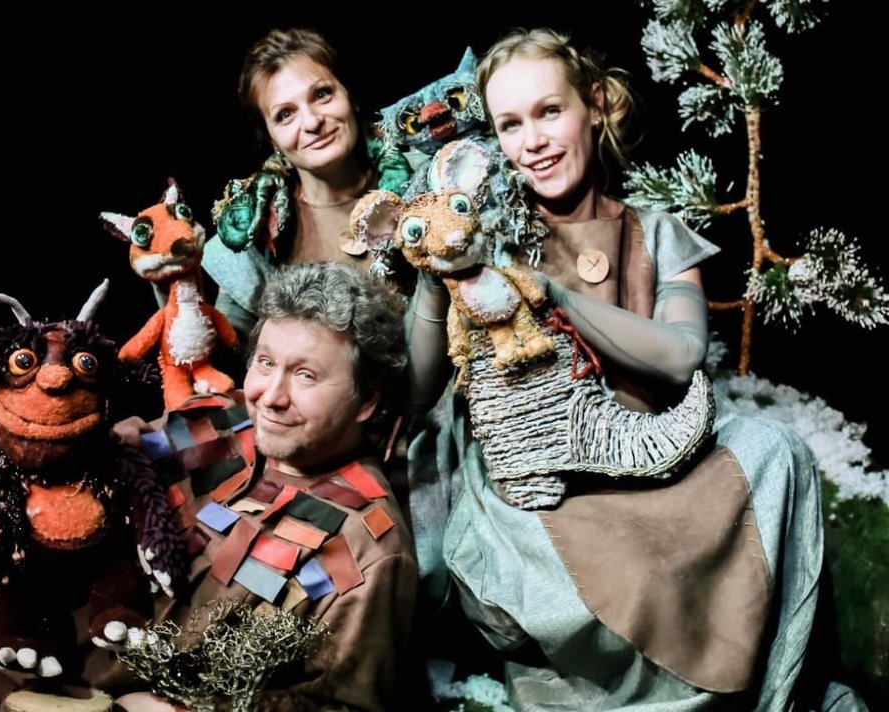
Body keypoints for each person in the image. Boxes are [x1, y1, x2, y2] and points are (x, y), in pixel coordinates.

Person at [418, 29, 842, 710]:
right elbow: (415, 390)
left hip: (654, 455)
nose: (534, 141)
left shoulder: (655, 231)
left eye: (550, 111)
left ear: (593, 106)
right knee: (615, 573)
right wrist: (431, 272)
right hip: (546, 480)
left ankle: (765, 687)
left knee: (775, 450)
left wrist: (553, 296)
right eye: (510, 125)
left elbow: (680, 356)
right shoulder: (483, 238)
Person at [114, 262, 421, 711]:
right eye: (266, 363)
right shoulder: (216, 418)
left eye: (306, 375)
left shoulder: (369, 548)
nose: (270, 397)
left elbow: (338, 706)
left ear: (366, 401)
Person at [203, 28, 448, 411]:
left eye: (322, 94)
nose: (312, 121)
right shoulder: (256, 232)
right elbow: (227, 363)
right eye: (285, 114)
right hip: (322, 433)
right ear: (270, 137)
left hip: (438, 416)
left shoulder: (434, 182)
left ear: (350, 95)